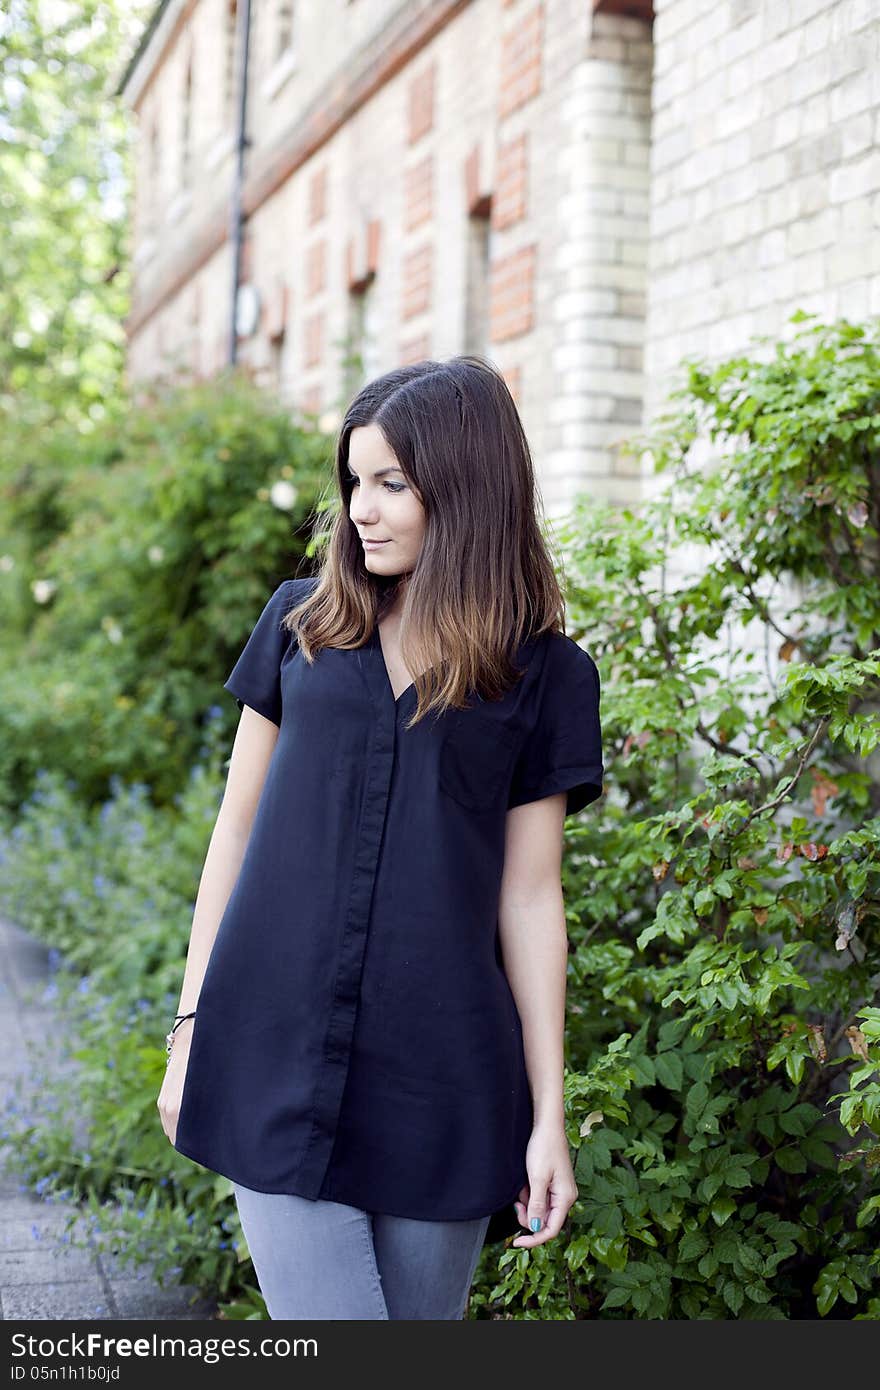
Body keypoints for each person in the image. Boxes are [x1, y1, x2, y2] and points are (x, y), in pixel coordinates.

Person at [157, 355, 603, 1320]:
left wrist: (548, 1118)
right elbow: (231, 838)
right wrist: (190, 1030)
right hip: (271, 1051)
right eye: (355, 481)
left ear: (466, 488)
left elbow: (529, 901)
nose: (362, 508)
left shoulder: (545, 677)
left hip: (442, 1081)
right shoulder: (302, 627)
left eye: (392, 484)